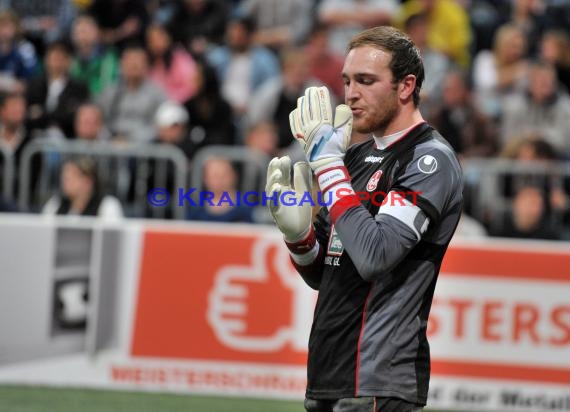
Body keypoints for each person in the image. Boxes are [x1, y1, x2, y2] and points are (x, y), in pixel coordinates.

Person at [265, 26, 463, 411]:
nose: (351, 93)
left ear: (406, 86)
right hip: (328, 373)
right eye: (347, 80)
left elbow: (375, 256)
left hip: (377, 379)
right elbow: (325, 274)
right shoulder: (352, 158)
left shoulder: (429, 160)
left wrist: (326, 164)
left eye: (366, 81)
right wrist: (300, 238)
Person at [42, 157, 123, 219]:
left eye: (71, 177)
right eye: (64, 177)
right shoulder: (55, 204)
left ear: (88, 182)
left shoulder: (107, 205)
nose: (65, 181)